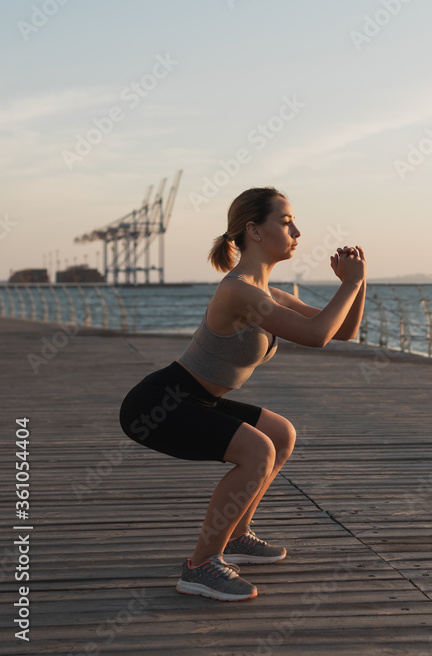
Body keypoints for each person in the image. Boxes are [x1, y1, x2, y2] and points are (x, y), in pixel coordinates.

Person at [119, 185, 366, 602]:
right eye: (286, 222)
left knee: (280, 434)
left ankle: (236, 538)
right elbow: (315, 336)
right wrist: (351, 284)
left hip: (198, 398)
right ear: (253, 231)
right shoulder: (237, 291)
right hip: (160, 402)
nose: (297, 231)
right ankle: (200, 567)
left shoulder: (270, 294)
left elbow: (344, 331)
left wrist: (358, 283)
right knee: (257, 451)